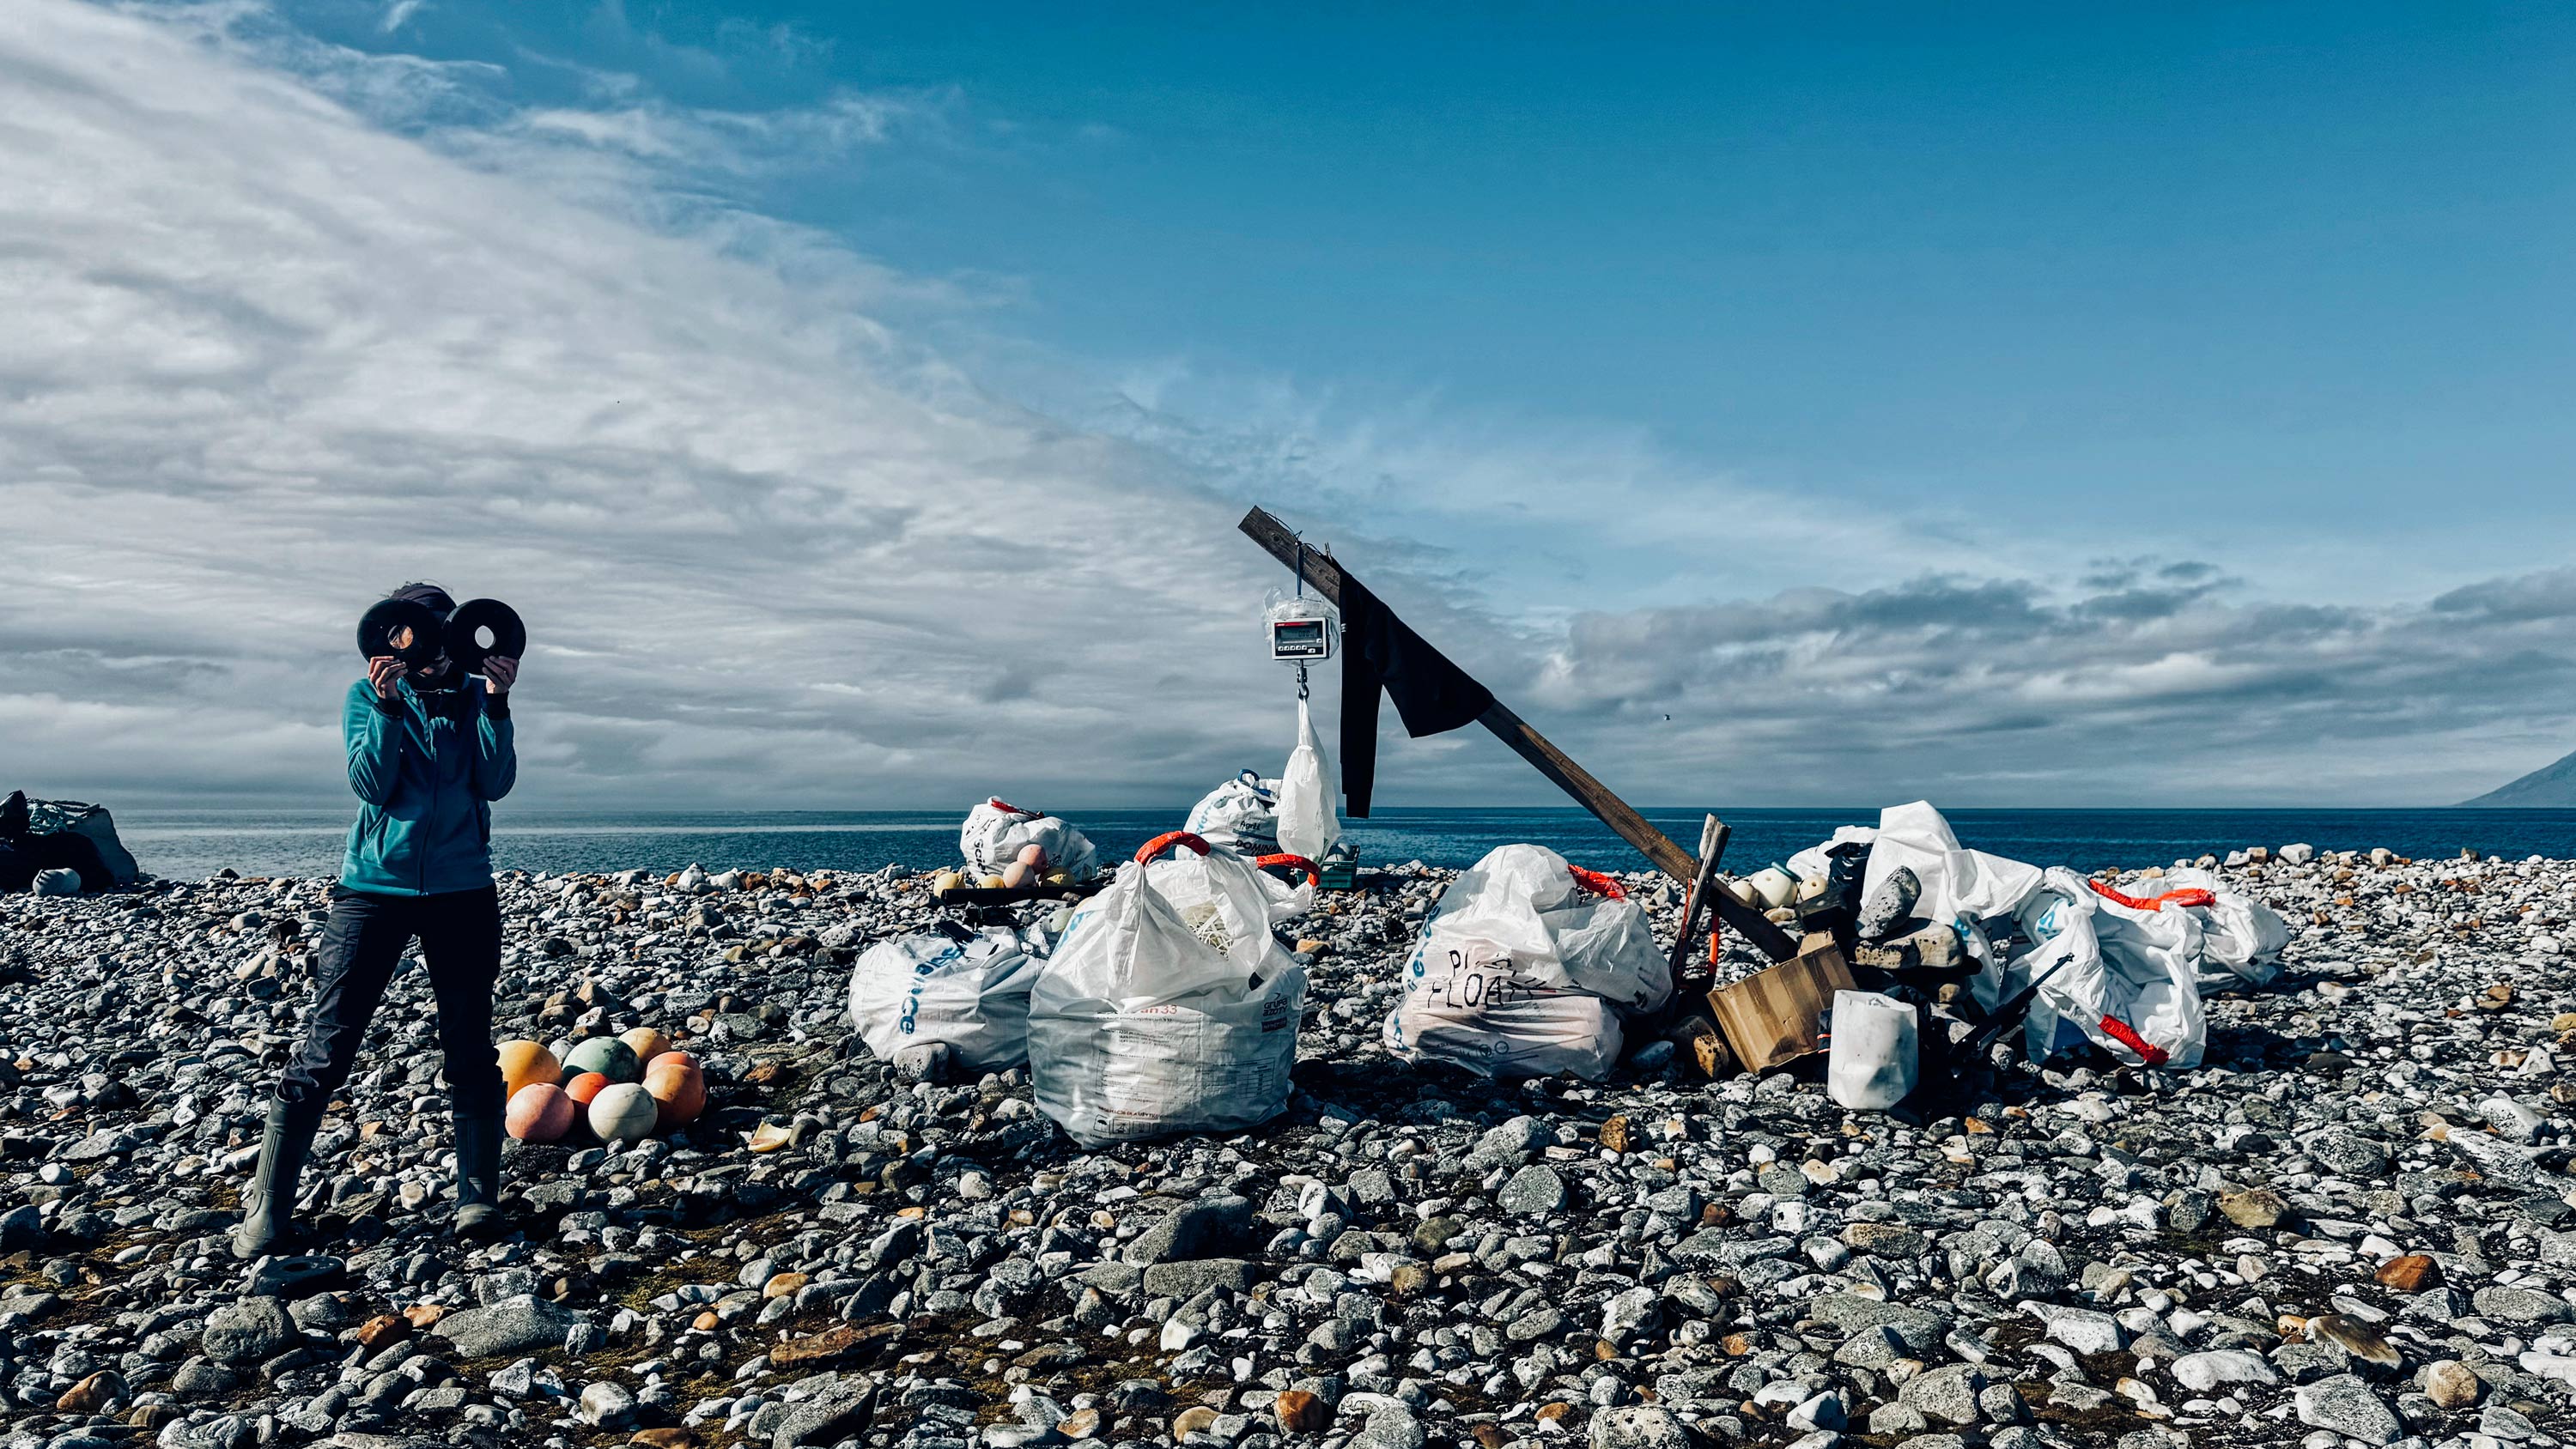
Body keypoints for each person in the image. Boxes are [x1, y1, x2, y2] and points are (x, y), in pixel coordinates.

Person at [233, 583, 521, 1258]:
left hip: (463, 892)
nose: (426, 648)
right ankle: (267, 1211)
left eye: (440, 633)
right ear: (394, 638)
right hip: (372, 891)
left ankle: (477, 1198)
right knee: (328, 1048)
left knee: (469, 1046)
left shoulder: (478, 694)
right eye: (412, 634)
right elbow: (371, 785)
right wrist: (391, 707)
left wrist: (499, 703)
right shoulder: (367, 696)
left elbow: (497, 780)